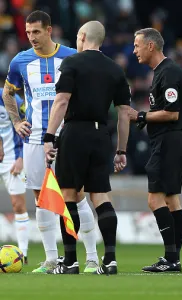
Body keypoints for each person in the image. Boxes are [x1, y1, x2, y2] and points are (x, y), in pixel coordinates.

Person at [3, 10, 99, 273]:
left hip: (66, 136)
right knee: (41, 197)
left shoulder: (71, 56)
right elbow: (8, 93)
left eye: (36, 31)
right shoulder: (20, 61)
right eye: (28, 32)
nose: (31, 37)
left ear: (49, 30)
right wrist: (15, 121)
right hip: (34, 139)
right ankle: (51, 259)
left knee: (76, 195)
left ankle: (91, 257)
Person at [44, 20, 131, 275]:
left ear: (82, 36)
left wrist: (50, 136)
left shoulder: (71, 63)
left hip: (75, 133)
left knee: (69, 195)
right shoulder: (115, 69)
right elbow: (124, 113)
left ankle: (70, 262)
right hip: (101, 135)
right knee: (100, 196)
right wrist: (122, 151)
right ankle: (111, 260)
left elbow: (61, 101)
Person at [129, 28, 182, 272]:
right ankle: (172, 259)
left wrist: (141, 115)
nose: (134, 51)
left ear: (151, 46)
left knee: (155, 199)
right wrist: (147, 119)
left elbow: (172, 113)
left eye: (137, 45)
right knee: (172, 200)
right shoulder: (161, 73)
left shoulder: (169, 72)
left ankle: (171, 258)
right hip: (167, 141)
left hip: (167, 142)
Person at [0, 88, 30, 263]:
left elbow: (28, 124)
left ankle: (23, 254)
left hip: (12, 159)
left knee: (18, 205)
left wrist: (22, 157)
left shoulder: (12, 99)